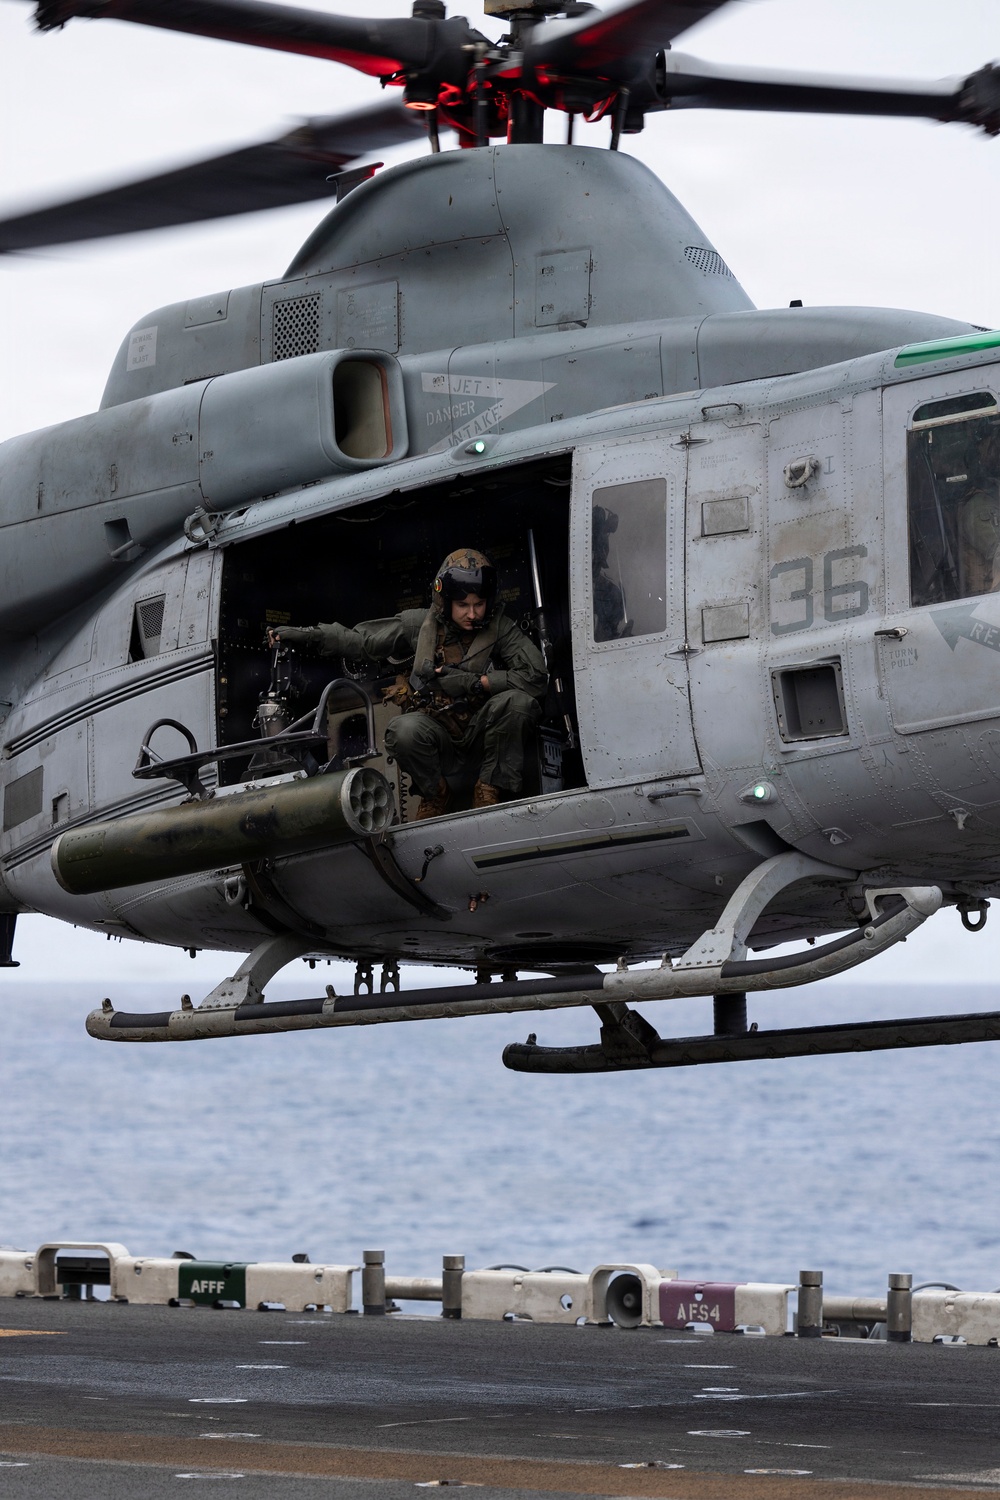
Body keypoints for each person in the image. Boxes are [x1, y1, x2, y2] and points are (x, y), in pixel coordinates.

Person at [269, 548, 547, 819]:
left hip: (485, 736)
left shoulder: (501, 628)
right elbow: (362, 641)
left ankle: (489, 787)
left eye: (478, 604)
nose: (472, 614)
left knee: (519, 703)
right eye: (463, 605)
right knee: (402, 730)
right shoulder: (419, 625)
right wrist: (310, 636)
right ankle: (435, 793)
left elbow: (536, 677)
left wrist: (478, 683)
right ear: (446, 600)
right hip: (438, 736)